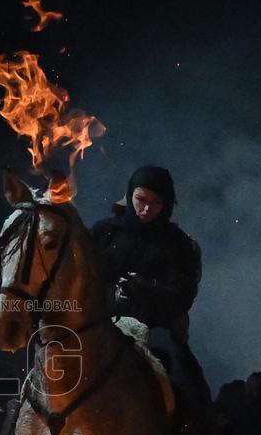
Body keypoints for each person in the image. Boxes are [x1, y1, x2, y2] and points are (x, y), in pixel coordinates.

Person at [90, 165, 211, 415]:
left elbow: (183, 294)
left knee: (184, 376)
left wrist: (147, 289)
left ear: (167, 204)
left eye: (156, 203)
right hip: (100, 320)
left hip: (155, 326)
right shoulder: (105, 232)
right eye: (140, 199)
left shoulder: (178, 244)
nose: (146, 209)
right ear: (130, 194)